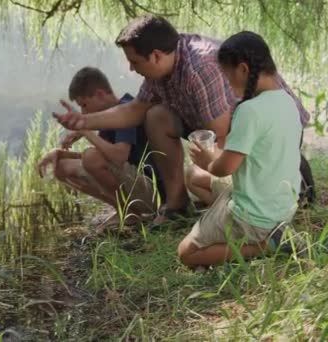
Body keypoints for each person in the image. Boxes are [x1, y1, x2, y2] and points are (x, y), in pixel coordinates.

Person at [52, 15, 311, 225]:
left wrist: (213, 168)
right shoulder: (160, 69)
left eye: (134, 61)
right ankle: (177, 205)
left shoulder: (200, 68)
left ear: (155, 56)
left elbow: (222, 132)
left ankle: (286, 187)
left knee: (200, 177)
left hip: (270, 128)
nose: (131, 68)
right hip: (230, 125)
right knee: (156, 116)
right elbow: (134, 110)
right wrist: (85, 121)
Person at [177, 31, 302, 267]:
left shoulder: (249, 110)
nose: (226, 81)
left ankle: (264, 245)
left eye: (227, 74)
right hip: (282, 208)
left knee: (186, 253)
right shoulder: (287, 101)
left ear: (243, 69)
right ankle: (226, 224)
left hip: (255, 217)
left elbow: (224, 169)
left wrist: (208, 161)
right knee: (194, 176)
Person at [37, 67, 165, 228]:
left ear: (100, 95)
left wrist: (84, 129)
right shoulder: (107, 120)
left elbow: (118, 157)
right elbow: (106, 160)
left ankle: (130, 213)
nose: (83, 112)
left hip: (155, 191)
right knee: (61, 167)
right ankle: (126, 210)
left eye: (84, 105)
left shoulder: (125, 111)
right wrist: (61, 154)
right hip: (136, 184)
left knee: (91, 156)